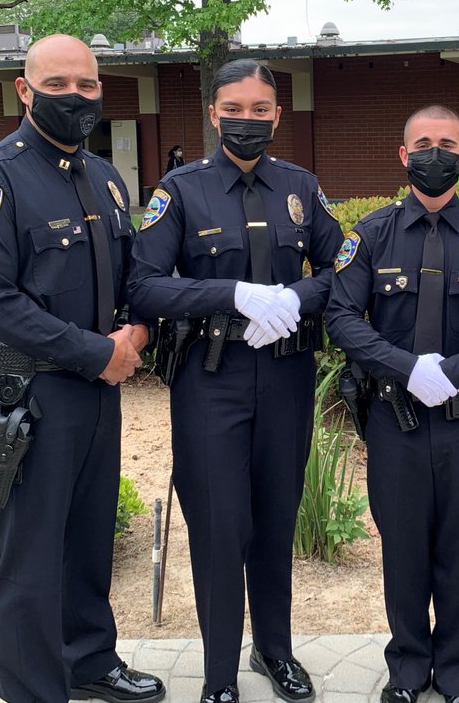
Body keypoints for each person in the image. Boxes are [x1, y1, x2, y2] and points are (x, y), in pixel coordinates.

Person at [0, 34, 164, 703]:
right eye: (59, 84)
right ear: (24, 89)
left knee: (89, 538)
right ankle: (36, 691)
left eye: (88, 85)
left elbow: (130, 275)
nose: (76, 97)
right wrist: (101, 353)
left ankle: (89, 662)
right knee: (31, 558)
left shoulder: (102, 176)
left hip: (97, 396)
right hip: (33, 396)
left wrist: (139, 327)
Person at [126, 59, 344, 703]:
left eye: (259, 109)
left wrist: (295, 298)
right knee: (220, 527)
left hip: (285, 374)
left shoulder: (301, 185)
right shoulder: (180, 189)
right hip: (210, 379)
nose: (246, 120)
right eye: (233, 108)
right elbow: (143, 283)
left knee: (276, 519)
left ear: (277, 114)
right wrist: (234, 294)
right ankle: (220, 675)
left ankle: (275, 652)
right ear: (213, 112)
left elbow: (343, 266)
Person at [325, 105, 459, 703]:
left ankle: (456, 676)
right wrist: (405, 367)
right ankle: (407, 672)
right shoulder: (370, 234)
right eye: (423, 143)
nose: (435, 153)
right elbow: (341, 315)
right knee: (403, 552)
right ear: (403, 155)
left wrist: (457, 370)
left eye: (448, 144)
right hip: (394, 420)